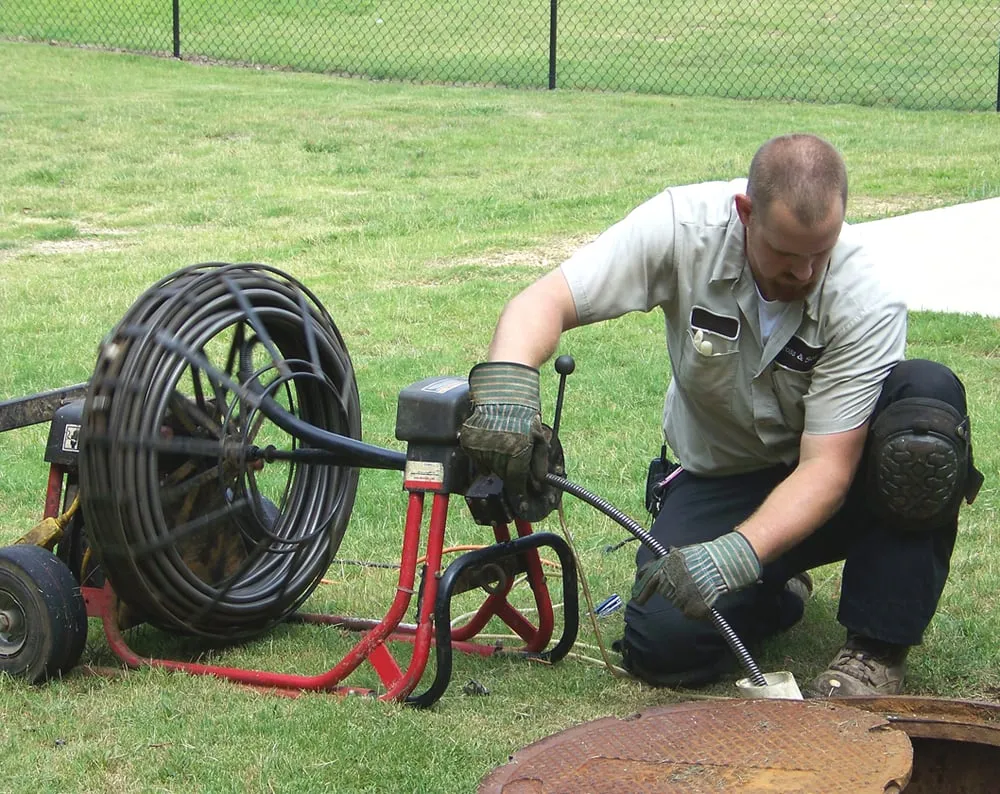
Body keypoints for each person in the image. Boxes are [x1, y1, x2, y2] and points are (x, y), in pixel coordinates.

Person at [458, 133, 983, 697]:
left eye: (820, 252)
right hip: (723, 478)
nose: (805, 273)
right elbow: (543, 302)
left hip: (842, 483)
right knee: (661, 644)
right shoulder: (683, 228)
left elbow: (826, 469)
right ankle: (778, 588)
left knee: (923, 424)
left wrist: (738, 552)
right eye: (786, 253)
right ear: (745, 213)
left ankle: (874, 649)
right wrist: (509, 387)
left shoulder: (866, 295)